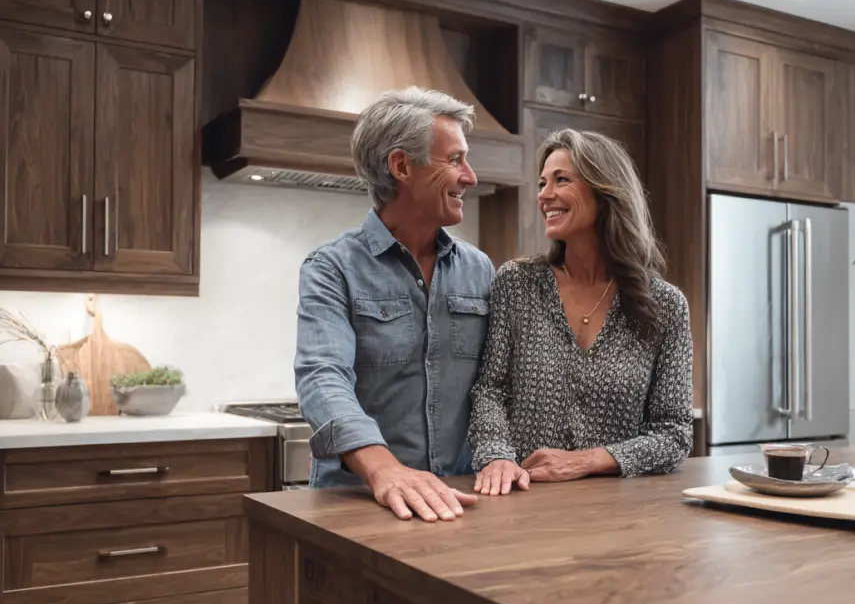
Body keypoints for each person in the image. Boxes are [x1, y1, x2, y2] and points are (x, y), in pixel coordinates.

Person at [294, 86, 495, 522]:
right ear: (402, 165)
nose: (471, 176)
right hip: (362, 505)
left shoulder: (480, 270)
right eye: (455, 159)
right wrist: (385, 471)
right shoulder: (332, 268)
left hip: (459, 503)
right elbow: (322, 377)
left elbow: (497, 387)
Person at [468, 128, 693, 495]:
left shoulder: (666, 306)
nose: (545, 195)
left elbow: (674, 432)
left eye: (561, 180)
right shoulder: (517, 284)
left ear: (604, 191)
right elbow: (490, 390)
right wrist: (496, 456)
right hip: (523, 501)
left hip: (618, 513)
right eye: (542, 183)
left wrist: (587, 460)